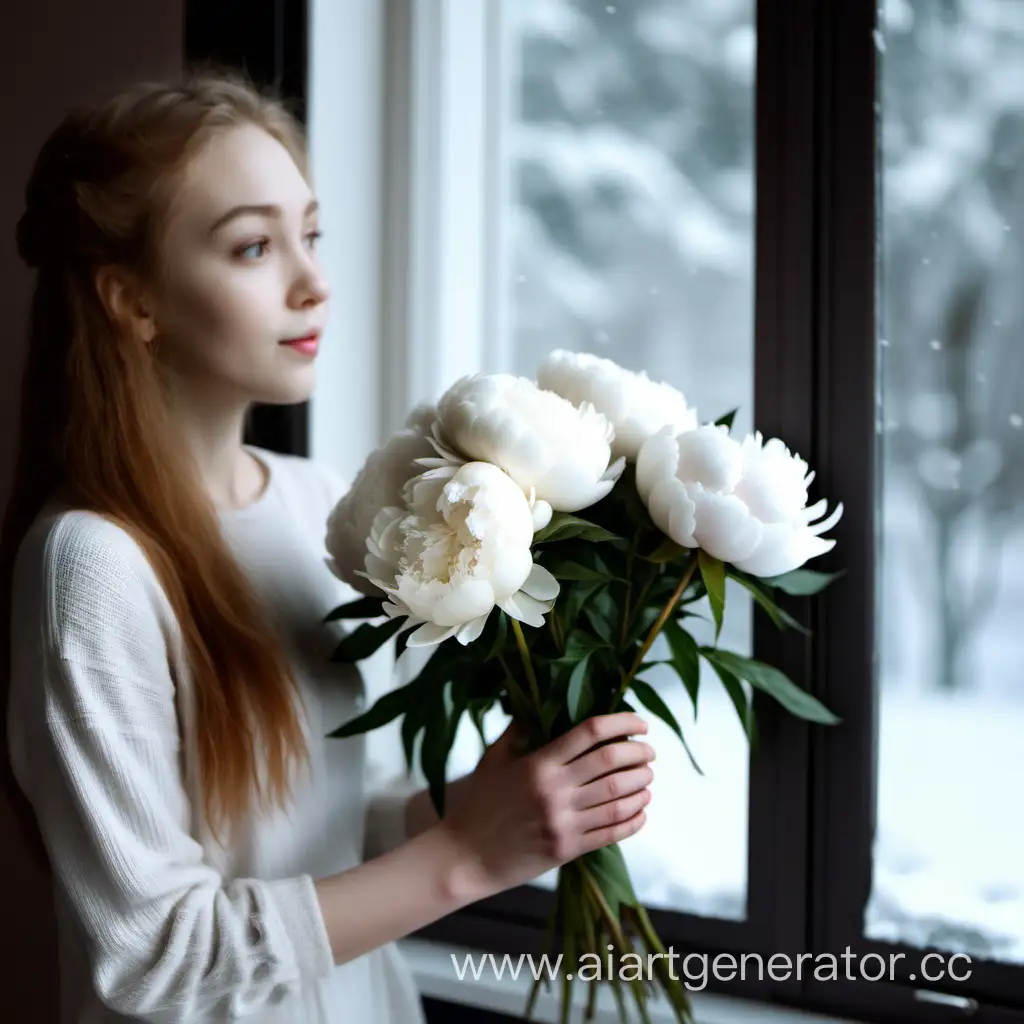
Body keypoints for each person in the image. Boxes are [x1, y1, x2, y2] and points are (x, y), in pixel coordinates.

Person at [0, 69, 656, 1024]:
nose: (313, 283)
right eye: (255, 246)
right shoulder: (92, 568)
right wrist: (463, 858)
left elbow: (337, 828)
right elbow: (147, 956)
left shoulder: (318, 504)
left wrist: (492, 804)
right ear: (131, 301)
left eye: (310, 235)